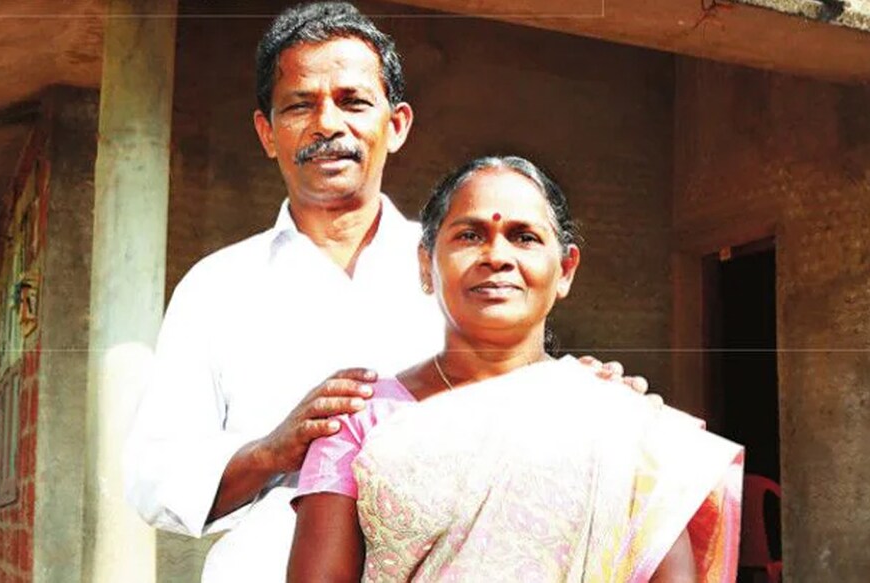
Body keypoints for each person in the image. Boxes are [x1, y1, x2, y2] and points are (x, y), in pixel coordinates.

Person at [125, 4, 645, 581]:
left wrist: (582, 396)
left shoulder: (456, 265)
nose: (327, 124)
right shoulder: (216, 287)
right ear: (267, 133)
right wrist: (272, 451)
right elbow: (154, 479)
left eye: (352, 101)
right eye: (300, 104)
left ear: (395, 125)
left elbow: (521, 401)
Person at [288, 155, 744, 582]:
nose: (497, 256)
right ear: (426, 265)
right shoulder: (358, 420)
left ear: (565, 270)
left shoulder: (625, 424)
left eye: (524, 237)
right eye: (469, 235)